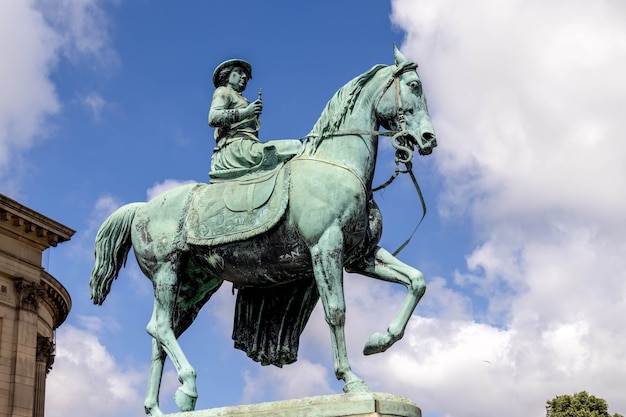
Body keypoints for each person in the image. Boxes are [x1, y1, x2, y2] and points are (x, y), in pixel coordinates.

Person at [208, 59, 301, 181]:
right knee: (295, 146)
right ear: (227, 75)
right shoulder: (223, 91)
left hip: (248, 146)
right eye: (239, 72)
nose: (244, 76)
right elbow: (213, 117)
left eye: (245, 74)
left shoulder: (243, 99)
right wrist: (246, 112)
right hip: (235, 148)